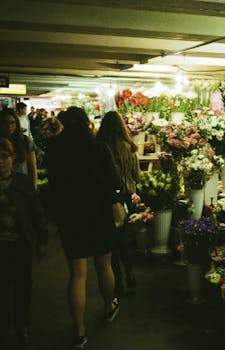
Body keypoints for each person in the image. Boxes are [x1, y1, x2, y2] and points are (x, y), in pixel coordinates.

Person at [45, 107, 122, 350]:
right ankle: (109, 306)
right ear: (87, 124)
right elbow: (113, 182)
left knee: (77, 274)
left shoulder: (55, 150)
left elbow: (52, 187)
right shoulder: (99, 148)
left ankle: (79, 331)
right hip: (99, 215)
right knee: (104, 265)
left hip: (71, 218)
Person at [0, 137, 47, 347]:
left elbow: (36, 212)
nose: (1, 162)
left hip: (20, 243)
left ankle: (21, 325)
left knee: (22, 286)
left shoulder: (21, 182)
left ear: (12, 158)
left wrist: (41, 239)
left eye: (4, 157)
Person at [96, 111, 140, 295]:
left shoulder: (99, 147)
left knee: (111, 242)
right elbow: (136, 176)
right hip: (126, 196)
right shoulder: (128, 147)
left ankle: (117, 282)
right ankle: (130, 273)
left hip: (107, 198)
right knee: (124, 239)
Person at [0, 108, 38, 189]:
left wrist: (34, 187)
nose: (9, 126)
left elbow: (32, 166)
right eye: (5, 123)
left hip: (22, 186)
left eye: (12, 122)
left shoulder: (25, 141)